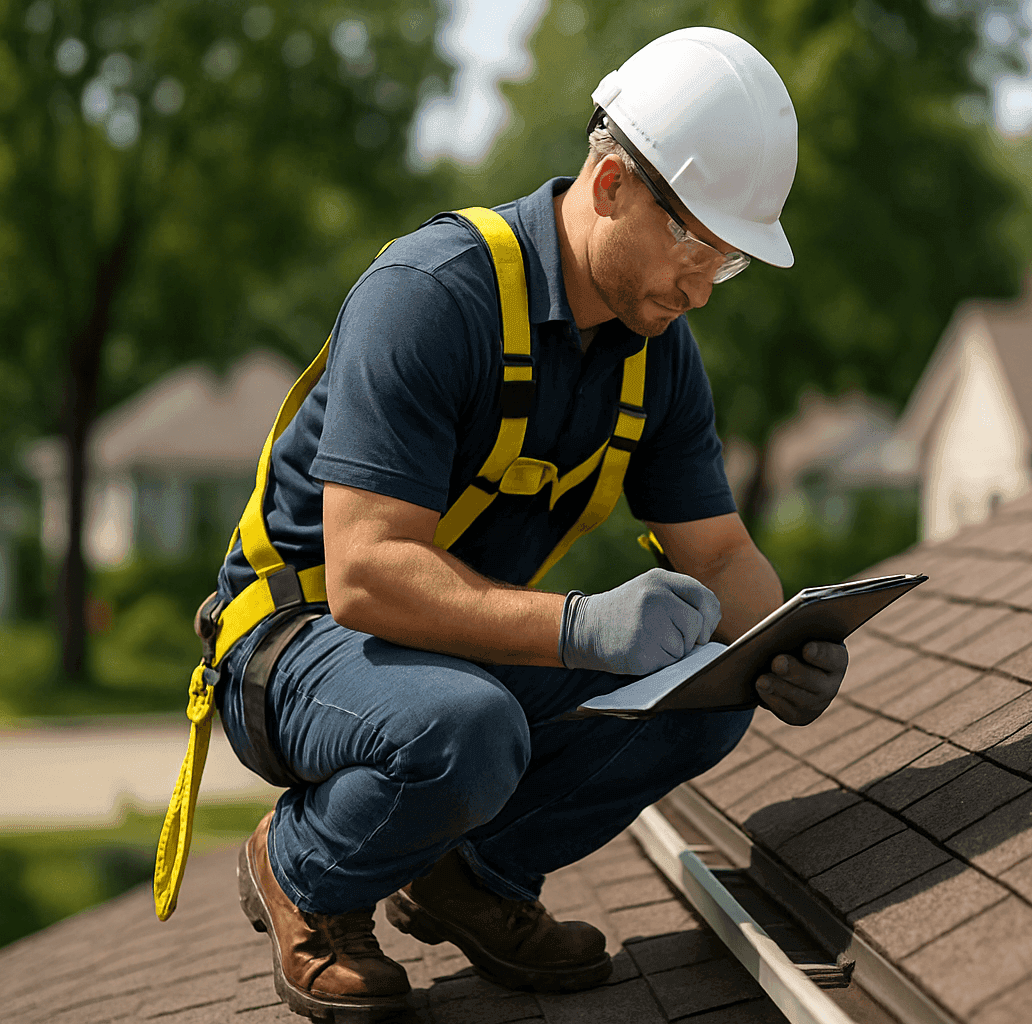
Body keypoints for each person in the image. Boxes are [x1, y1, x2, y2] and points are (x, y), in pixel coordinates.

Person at [210, 27, 848, 1022]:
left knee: (707, 690)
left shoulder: (657, 353)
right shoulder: (430, 298)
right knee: (469, 729)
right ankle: (302, 870)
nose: (698, 289)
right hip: (296, 642)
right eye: (695, 245)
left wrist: (784, 643)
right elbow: (368, 576)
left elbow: (720, 555)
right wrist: (582, 627)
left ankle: (469, 876)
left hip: (454, 652)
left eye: (726, 266)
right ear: (609, 186)